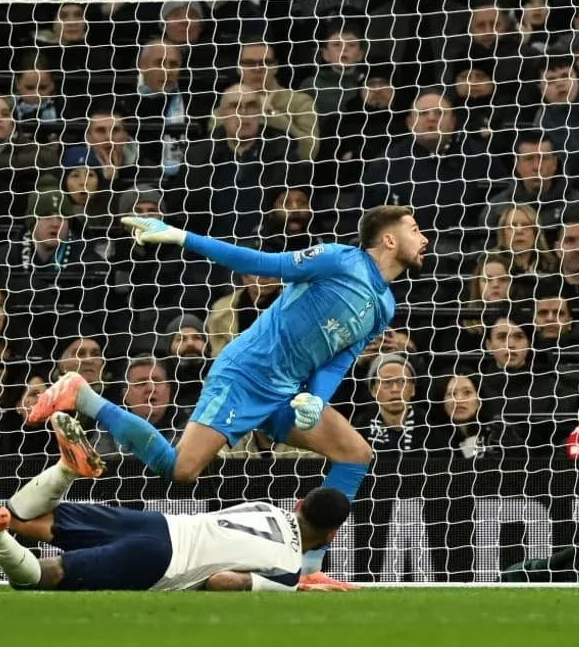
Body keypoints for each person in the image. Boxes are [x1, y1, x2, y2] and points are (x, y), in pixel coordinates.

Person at [26, 204, 427, 585]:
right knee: (181, 470)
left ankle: (306, 572)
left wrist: (317, 400)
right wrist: (182, 237)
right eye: (414, 230)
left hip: (286, 391)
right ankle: (82, 394)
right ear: (388, 241)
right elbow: (261, 264)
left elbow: (340, 359)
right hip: (245, 376)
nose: (424, 238)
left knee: (355, 455)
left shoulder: (384, 305)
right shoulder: (342, 260)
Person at [0, 413, 351, 593]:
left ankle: (64, 472)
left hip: (160, 524)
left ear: (297, 503)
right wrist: (290, 588)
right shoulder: (289, 571)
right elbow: (223, 582)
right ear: (330, 534)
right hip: (162, 560)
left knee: (28, 517)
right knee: (40, 577)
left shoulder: (267, 508)